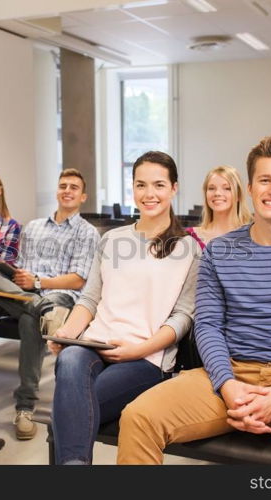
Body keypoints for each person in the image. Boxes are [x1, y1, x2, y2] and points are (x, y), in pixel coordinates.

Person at [117, 135, 271, 465]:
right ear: (250, 187)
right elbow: (208, 328)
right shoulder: (219, 252)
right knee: (138, 417)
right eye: (265, 180)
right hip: (226, 377)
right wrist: (228, 385)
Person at [48, 151, 200, 465]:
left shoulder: (188, 249)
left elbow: (183, 317)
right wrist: (67, 332)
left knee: (74, 404)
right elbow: (89, 300)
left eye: (159, 185)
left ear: (174, 188)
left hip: (147, 358)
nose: (149, 194)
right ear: (132, 188)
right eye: (141, 185)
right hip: (95, 342)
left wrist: (137, 349)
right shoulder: (112, 240)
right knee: (71, 358)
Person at [0, 168, 99, 440]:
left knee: (31, 319)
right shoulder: (34, 227)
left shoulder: (87, 233)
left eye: (74, 187)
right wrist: (18, 277)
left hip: (60, 297)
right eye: (63, 185)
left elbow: (77, 280)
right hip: (28, 295)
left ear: (83, 196)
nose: (67, 190)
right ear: (57, 191)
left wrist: (38, 282)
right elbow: (22, 268)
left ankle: (24, 407)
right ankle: (44, 313)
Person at [186, 165, 252, 248]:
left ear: (238, 195)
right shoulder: (189, 236)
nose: (217, 193)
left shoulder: (253, 236)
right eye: (211, 188)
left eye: (227, 188)